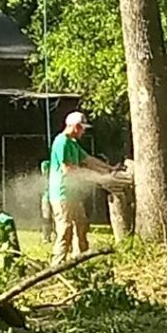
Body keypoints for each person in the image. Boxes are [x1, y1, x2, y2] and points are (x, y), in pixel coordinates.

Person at [49, 111, 113, 264]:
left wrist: (109, 169)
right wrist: (94, 176)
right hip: (62, 194)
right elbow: (67, 169)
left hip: (73, 195)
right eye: (82, 128)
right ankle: (57, 265)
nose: (84, 132)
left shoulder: (73, 143)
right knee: (65, 230)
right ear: (76, 127)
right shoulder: (61, 142)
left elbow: (88, 159)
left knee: (82, 225)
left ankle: (81, 261)